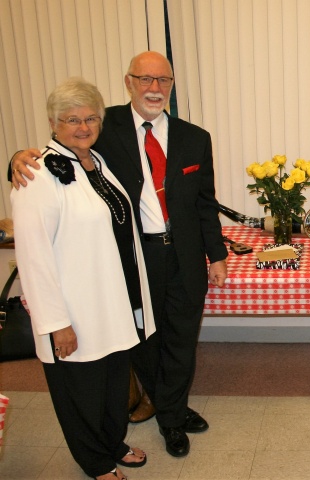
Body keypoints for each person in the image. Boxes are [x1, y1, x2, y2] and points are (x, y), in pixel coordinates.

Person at [10, 52, 228, 457]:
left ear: (172, 84)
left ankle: (170, 412)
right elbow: (59, 149)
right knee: (143, 342)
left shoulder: (195, 138)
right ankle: (170, 410)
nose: (154, 88)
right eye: (145, 79)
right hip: (133, 260)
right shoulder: (103, 127)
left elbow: (204, 203)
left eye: (163, 80)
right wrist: (17, 160)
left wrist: (216, 255)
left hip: (183, 255)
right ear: (128, 82)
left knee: (181, 340)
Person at [11, 77, 155, 480]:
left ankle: (113, 443)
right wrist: (56, 323)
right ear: (53, 123)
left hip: (111, 303)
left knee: (112, 386)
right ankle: (94, 461)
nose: (83, 126)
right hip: (74, 311)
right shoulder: (37, 174)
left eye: (91, 118)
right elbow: (34, 256)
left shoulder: (96, 161)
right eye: (72, 119)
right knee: (81, 394)